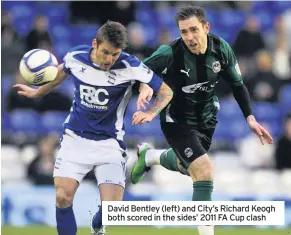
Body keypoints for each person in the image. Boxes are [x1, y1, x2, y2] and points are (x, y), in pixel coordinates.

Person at [14, 20, 173, 235]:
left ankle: (98, 226)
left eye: (114, 55)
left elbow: (166, 92)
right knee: (62, 196)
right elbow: (60, 73)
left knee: (111, 209)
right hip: (75, 139)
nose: (109, 60)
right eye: (105, 52)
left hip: (109, 143)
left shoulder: (130, 66)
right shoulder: (76, 57)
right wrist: (37, 92)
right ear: (95, 44)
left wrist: (150, 112)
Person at [130, 5, 273, 235]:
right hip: (176, 119)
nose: (189, 37)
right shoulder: (171, 52)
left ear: (206, 27)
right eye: (184, 32)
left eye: (194, 30)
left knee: (187, 168)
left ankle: (150, 156)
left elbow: (238, 85)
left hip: (206, 118)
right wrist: (146, 84)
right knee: (204, 170)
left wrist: (250, 117)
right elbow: (141, 68)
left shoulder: (221, 49)